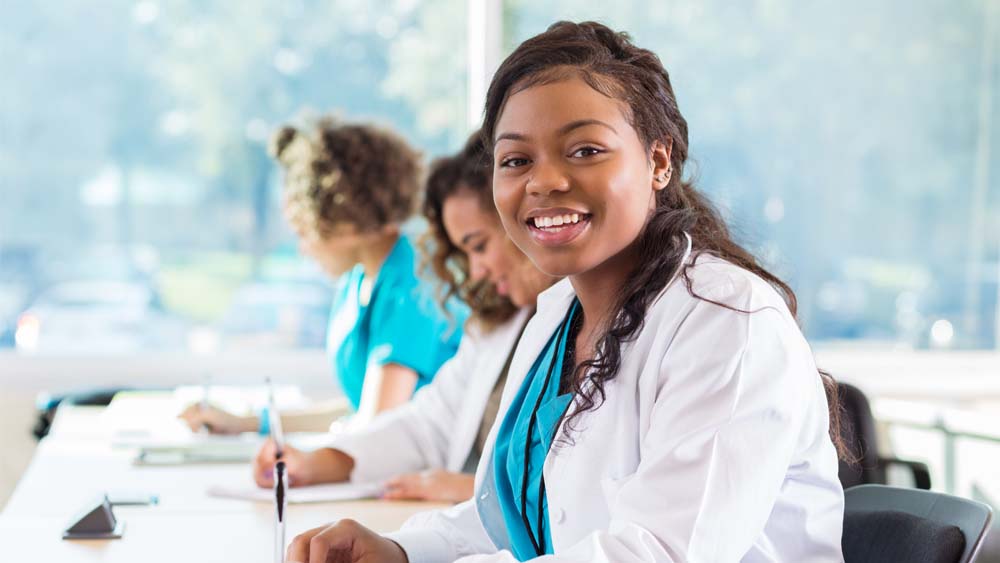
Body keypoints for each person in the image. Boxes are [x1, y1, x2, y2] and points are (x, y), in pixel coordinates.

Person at [286, 21, 847, 562]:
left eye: (585, 150)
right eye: (516, 160)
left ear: (658, 160)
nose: (544, 181)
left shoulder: (727, 323)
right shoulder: (557, 318)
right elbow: (506, 522)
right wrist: (403, 550)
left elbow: (657, 555)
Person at [251, 132, 558, 503]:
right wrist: (318, 462)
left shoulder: (586, 322)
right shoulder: (499, 326)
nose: (475, 272)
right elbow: (426, 426)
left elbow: (574, 490)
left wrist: (468, 490)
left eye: (479, 246)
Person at [180, 118, 465, 434]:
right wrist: (249, 423)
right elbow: (360, 410)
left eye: (305, 232)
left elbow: (376, 425)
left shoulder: (412, 283)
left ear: (344, 221)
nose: (304, 249)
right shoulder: (358, 279)